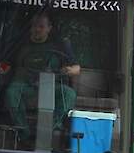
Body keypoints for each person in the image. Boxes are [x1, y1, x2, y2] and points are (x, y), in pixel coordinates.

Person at [4, 11, 79, 145]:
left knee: (69, 94)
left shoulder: (60, 44)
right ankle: (23, 133)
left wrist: (68, 70)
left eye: (41, 26)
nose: (37, 29)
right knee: (12, 92)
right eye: (34, 26)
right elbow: (6, 64)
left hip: (51, 87)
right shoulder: (19, 44)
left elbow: (76, 69)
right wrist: (0, 68)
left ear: (49, 28)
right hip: (25, 87)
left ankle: (50, 130)